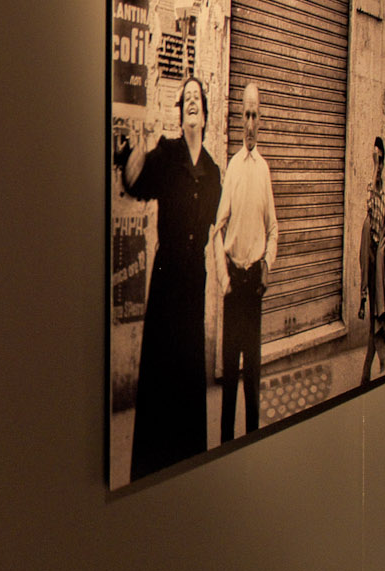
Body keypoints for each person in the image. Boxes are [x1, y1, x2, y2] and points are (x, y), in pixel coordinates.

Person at [116, 77, 223, 481]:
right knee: (162, 375)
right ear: (181, 113)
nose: (192, 103)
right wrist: (138, 148)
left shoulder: (213, 171)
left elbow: (215, 230)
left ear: (205, 112)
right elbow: (135, 184)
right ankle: (150, 470)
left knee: (188, 374)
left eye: (197, 98)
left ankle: (186, 469)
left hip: (194, 281)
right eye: (187, 99)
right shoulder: (167, 152)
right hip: (166, 282)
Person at [211, 82, 278, 441]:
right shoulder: (233, 168)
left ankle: (252, 442)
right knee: (230, 377)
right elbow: (216, 229)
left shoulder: (264, 170)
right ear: (240, 119)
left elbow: (274, 229)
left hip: (253, 286)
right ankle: (225, 445)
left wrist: (267, 265)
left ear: (261, 121)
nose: (250, 123)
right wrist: (224, 278)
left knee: (252, 371)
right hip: (234, 285)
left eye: (256, 116)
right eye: (246, 115)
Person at [362, 138, 385, 384]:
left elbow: (383, 222)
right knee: (376, 317)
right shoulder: (371, 188)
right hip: (371, 259)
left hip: (380, 262)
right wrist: (373, 171)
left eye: (380, 159)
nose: (378, 164)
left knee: (378, 317)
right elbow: (369, 211)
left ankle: (369, 372)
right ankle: (369, 371)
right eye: (375, 158)